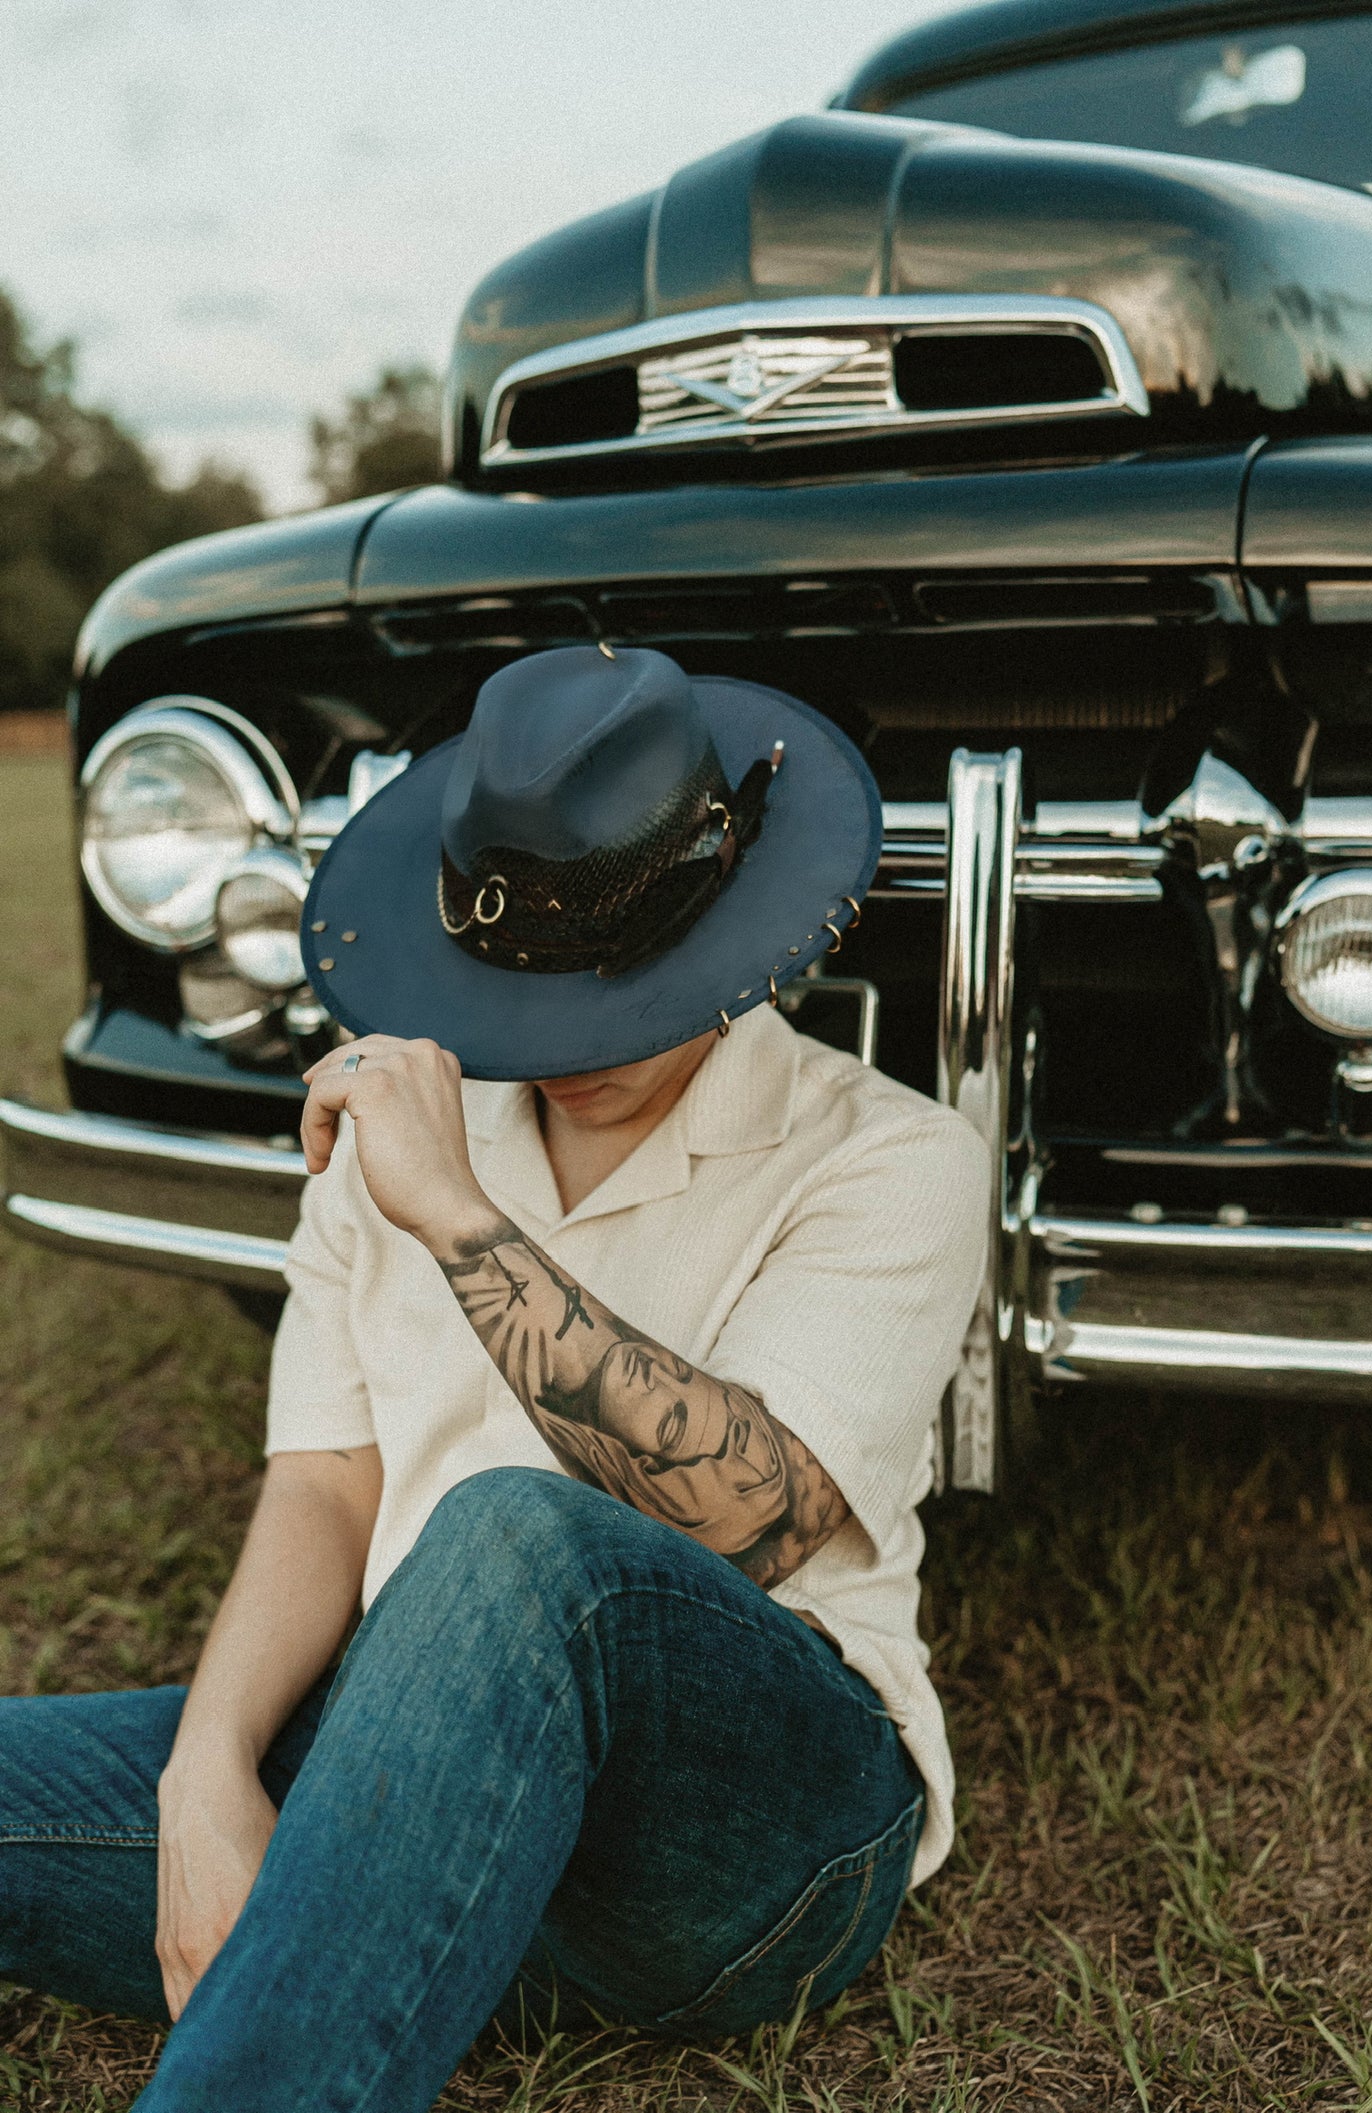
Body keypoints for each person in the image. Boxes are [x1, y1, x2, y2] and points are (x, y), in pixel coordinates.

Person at [0, 644, 987, 2111]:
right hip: (413, 1782)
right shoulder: (401, 1103)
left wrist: (459, 1213)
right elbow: (328, 1480)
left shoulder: (894, 1156)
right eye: (532, 985)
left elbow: (745, 1514)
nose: (569, 1042)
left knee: (519, 1534)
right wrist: (206, 1775)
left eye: (623, 987)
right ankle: (388, 1935)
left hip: (745, 1840)